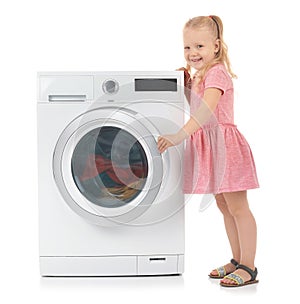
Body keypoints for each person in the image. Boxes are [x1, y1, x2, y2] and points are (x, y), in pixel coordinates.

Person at [157, 15, 259, 287]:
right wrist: (187, 84)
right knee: (224, 206)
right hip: (213, 148)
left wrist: (179, 135)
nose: (192, 53)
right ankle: (237, 260)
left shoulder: (217, 73)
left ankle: (249, 266)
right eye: (187, 47)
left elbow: (205, 112)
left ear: (215, 46)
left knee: (238, 207)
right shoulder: (204, 75)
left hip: (226, 146)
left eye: (199, 47)